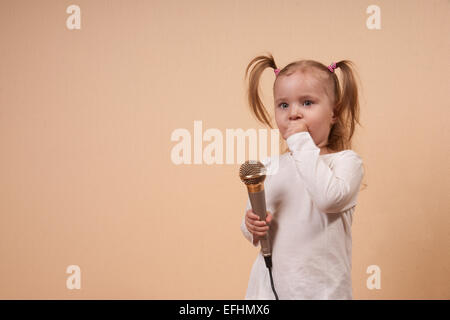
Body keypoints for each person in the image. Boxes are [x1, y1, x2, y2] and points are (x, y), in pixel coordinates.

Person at [240, 53, 366, 299]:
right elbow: (254, 229)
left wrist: (300, 141)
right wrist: (251, 226)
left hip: (323, 292)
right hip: (268, 290)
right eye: (283, 105)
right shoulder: (270, 167)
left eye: (307, 103)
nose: (293, 113)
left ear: (334, 112)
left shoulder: (346, 163)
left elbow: (328, 199)